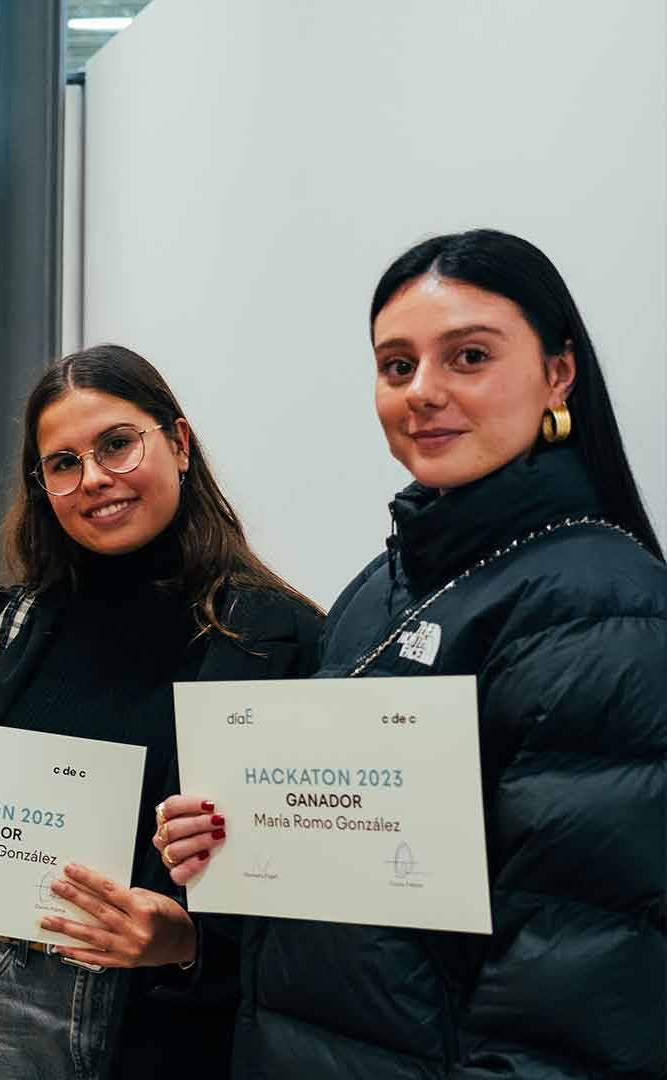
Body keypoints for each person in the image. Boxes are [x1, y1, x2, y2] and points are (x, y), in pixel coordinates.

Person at [161, 228, 667, 1077]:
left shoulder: (602, 609)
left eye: (469, 357)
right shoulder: (384, 586)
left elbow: (579, 1000)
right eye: (397, 366)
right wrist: (238, 842)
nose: (423, 392)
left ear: (558, 374)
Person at [0, 345, 321, 1080]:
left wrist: (189, 942)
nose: (93, 479)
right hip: (0, 1009)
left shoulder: (276, 638)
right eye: (63, 463)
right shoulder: (8, 631)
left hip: (175, 1030)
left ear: (179, 444)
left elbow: (317, 885)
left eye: (117, 445)